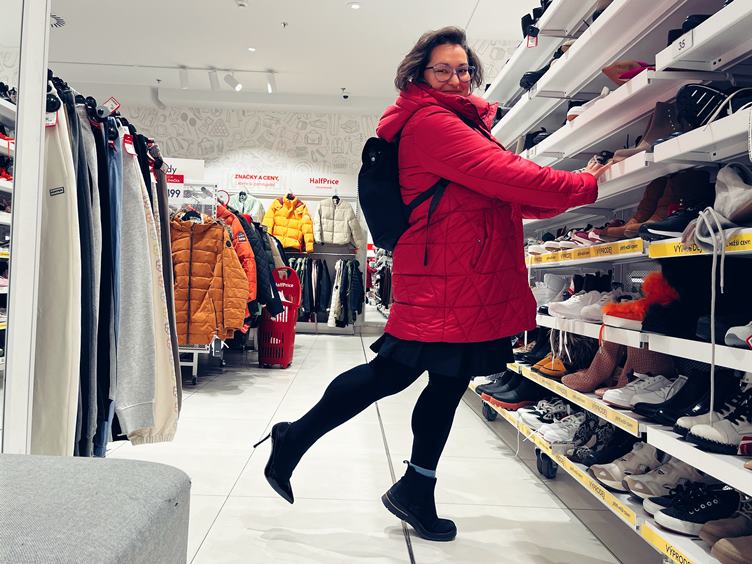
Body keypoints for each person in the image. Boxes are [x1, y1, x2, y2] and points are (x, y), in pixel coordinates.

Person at [253, 26, 609, 542]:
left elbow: (504, 194)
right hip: (445, 276)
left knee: (446, 380)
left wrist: (574, 191)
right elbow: (509, 176)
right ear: (419, 74)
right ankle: (294, 439)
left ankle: (416, 488)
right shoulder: (432, 123)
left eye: (464, 70)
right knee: (392, 374)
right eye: (443, 70)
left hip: (462, 272)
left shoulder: (458, 121)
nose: (457, 78)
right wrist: (587, 183)